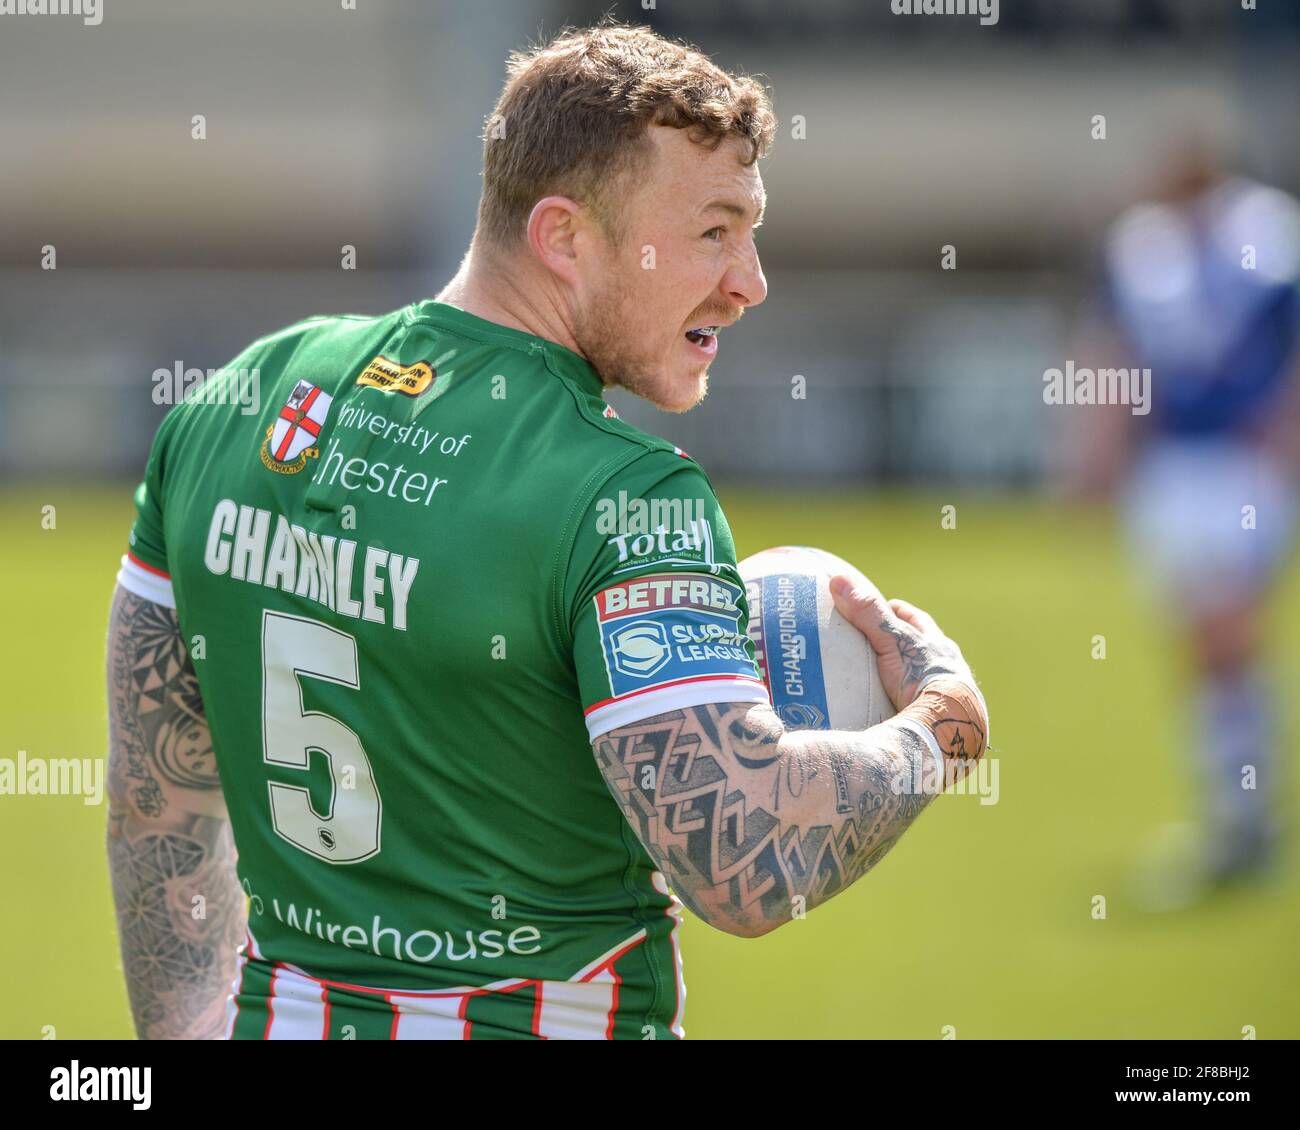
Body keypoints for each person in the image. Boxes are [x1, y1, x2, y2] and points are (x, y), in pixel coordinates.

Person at [106, 22, 989, 1040]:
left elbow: (153, 798)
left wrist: (179, 1034)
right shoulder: (627, 496)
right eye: (710, 232)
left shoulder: (238, 398)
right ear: (565, 236)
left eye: (751, 232)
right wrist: (937, 727)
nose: (749, 280)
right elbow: (745, 860)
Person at [1068, 143, 1300, 910]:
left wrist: (1285, 442)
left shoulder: (1268, 239)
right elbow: (1115, 351)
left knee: (1227, 631)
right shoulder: (1143, 251)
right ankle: (1238, 812)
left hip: (1241, 463)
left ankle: (1245, 821)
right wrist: (1100, 450)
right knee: (1204, 646)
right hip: (1172, 469)